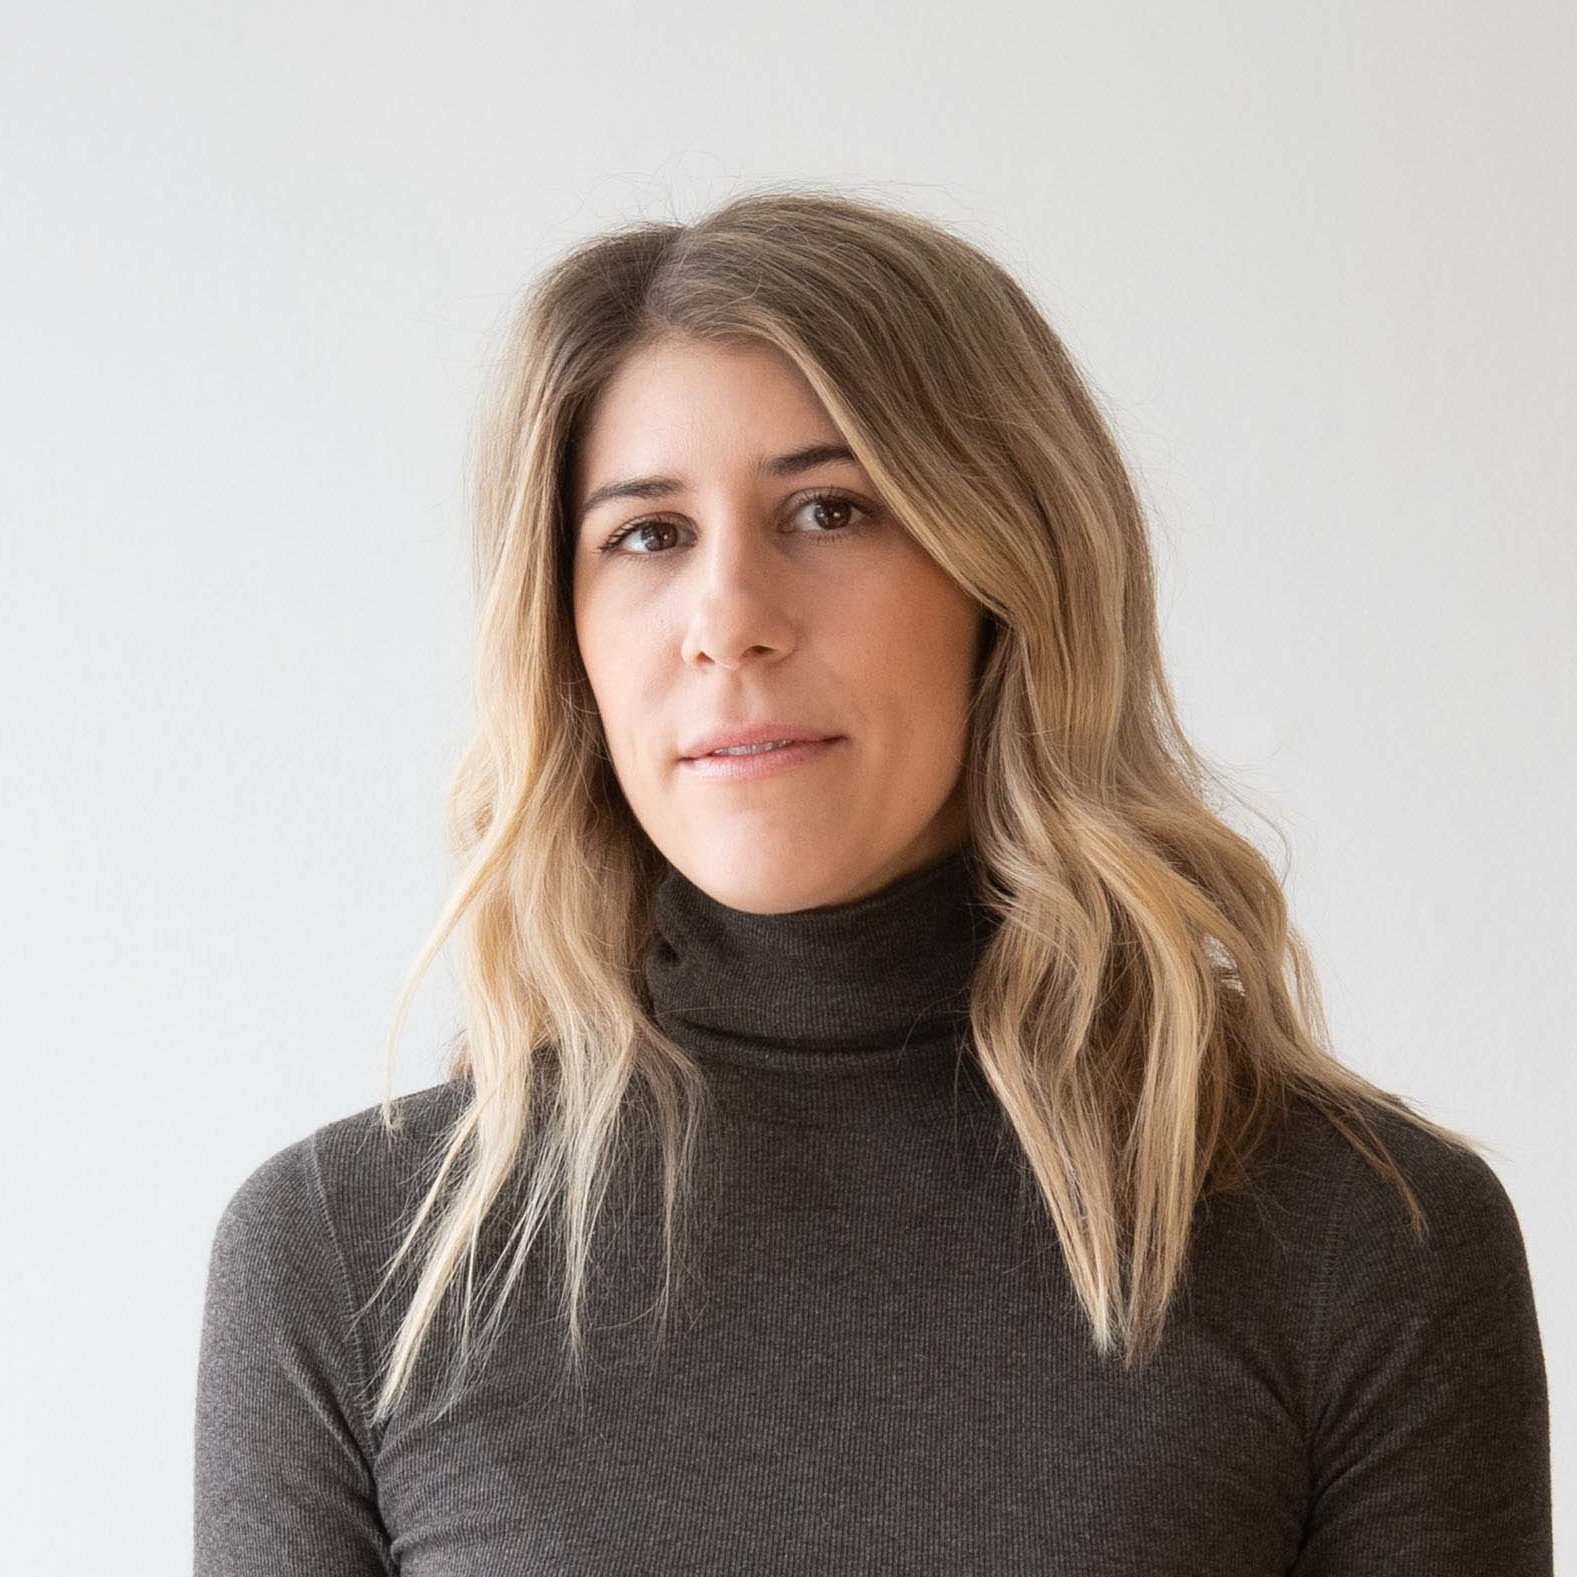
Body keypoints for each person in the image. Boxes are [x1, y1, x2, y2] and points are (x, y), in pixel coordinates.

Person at [193, 187, 1552, 1575]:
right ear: (567, 639)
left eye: (829, 509)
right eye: (647, 535)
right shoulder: (347, 1260)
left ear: (1010, 576)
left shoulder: (1353, 1234)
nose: (728, 619)